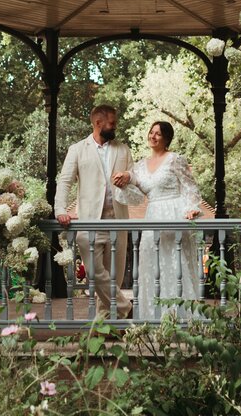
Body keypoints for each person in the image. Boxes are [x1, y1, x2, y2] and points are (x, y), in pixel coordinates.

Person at [112, 121, 203, 318]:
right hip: (152, 216)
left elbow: (191, 187)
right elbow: (136, 197)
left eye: (158, 134)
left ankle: (182, 318)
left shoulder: (175, 159)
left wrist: (191, 209)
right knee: (151, 266)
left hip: (174, 212)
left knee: (175, 264)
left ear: (167, 138)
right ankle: (153, 318)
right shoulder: (140, 166)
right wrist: (123, 183)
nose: (153, 136)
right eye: (151, 132)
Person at [54, 104, 134, 320]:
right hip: (89, 222)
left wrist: (129, 176)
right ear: (98, 123)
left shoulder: (123, 150)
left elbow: (134, 183)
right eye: (111, 122)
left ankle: (107, 324)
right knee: (93, 273)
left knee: (113, 277)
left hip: (118, 221)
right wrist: (61, 209)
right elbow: (65, 182)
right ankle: (127, 308)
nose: (115, 126)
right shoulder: (77, 149)